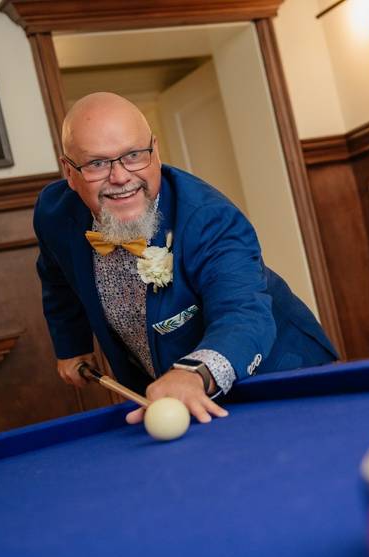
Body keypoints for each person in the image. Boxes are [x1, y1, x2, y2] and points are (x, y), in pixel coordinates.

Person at [34, 92, 337, 425]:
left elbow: (243, 312)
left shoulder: (210, 218)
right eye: (97, 163)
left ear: (155, 150)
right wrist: (71, 345)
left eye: (134, 155)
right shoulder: (55, 214)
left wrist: (193, 374)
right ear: (69, 171)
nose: (120, 177)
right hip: (176, 398)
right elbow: (56, 276)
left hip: (280, 376)